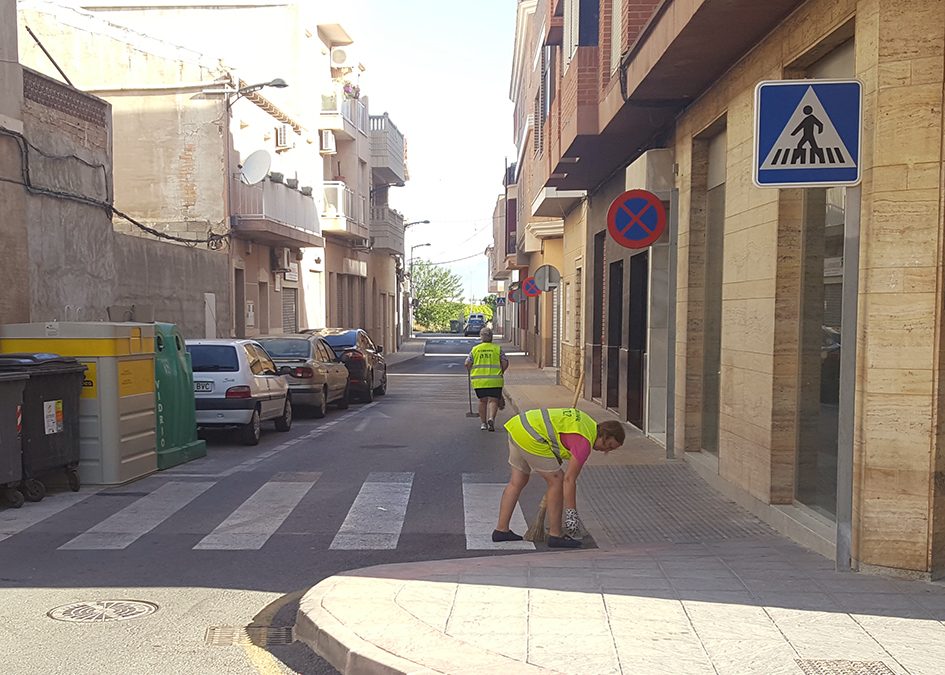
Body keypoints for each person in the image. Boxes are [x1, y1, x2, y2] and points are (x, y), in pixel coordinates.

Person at [493, 408, 625, 548]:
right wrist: (571, 516)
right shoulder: (585, 443)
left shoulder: (587, 422)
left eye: (610, 450)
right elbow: (569, 480)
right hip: (532, 435)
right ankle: (555, 534)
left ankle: (501, 530)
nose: (605, 450)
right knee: (557, 480)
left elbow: (558, 433)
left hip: (519, 425)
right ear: (604, 435)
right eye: (608, 445)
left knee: (517, 481)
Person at [465, 327, 509, 431]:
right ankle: (491, 419)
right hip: (495, 380)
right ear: (491, 337)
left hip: (479, 381)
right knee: (493, 400)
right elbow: (505, 362)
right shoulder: (497, 348)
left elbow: (467, 363)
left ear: (481, 337)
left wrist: (470, 369)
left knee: (482, 401)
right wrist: (501, 371)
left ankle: (483, 423)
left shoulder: (475, 349)